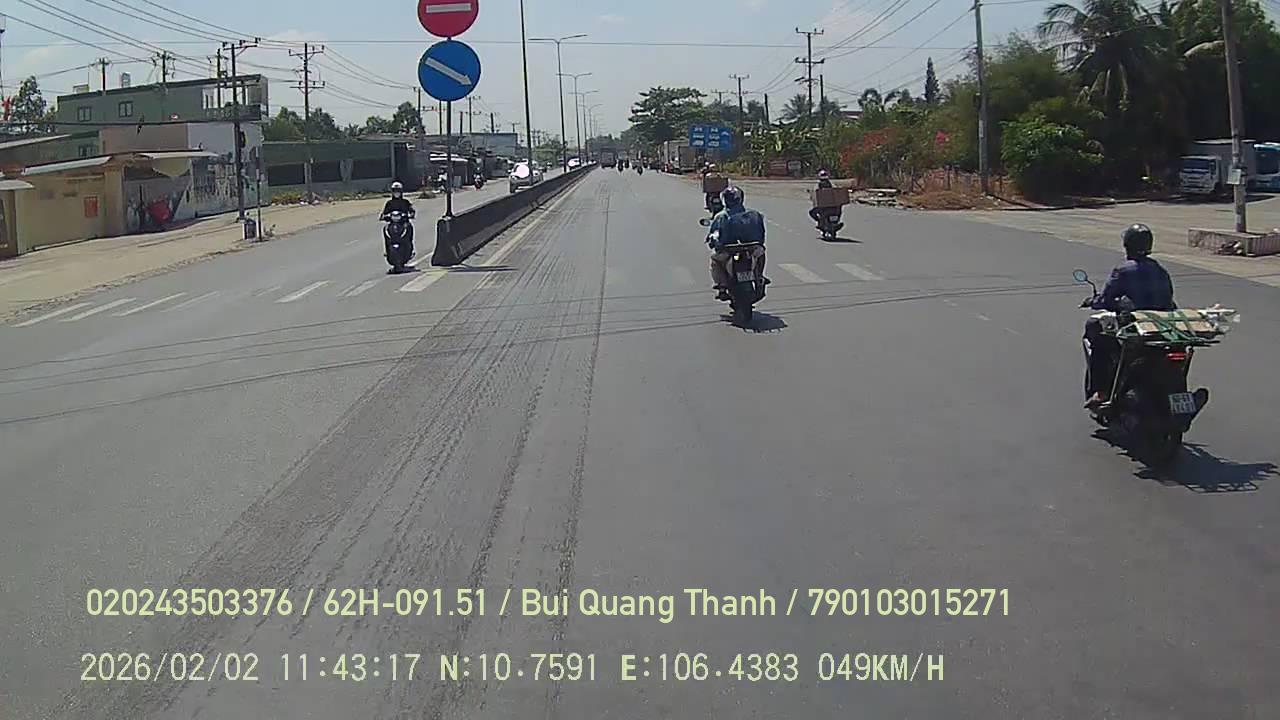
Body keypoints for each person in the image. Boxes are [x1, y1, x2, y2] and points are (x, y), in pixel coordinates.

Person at [1083, 223, 1177, 408]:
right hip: (1163, 326)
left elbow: (1106, 299)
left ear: (1127, 245)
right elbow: (1169, 298)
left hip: (1136, 326)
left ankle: (1101, 392)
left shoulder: (1124, 270)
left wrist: (1093, 301)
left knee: (1097, 335)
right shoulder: (1160, 270)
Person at [706, 185, 768, 300]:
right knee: (761, 253)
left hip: (728, 251)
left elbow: (715, 235)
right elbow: (761, 233)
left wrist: (712, 242)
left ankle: (722, 287)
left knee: (715, 260)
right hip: (751, 249)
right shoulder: (754, 214)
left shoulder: (721, 217)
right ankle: (759, 276)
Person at [380, 181, 417, 255]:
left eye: (398, 191)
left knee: (409, 227)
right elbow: (384, 212)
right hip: (392, 223)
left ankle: (410, 248)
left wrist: (411, 214)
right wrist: (383, 216)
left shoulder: (405, 202)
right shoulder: (389, 203)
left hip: (403, 223)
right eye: (394, 191)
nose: (396, 193)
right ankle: (387, 250)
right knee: (385, 229)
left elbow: (411, 210)